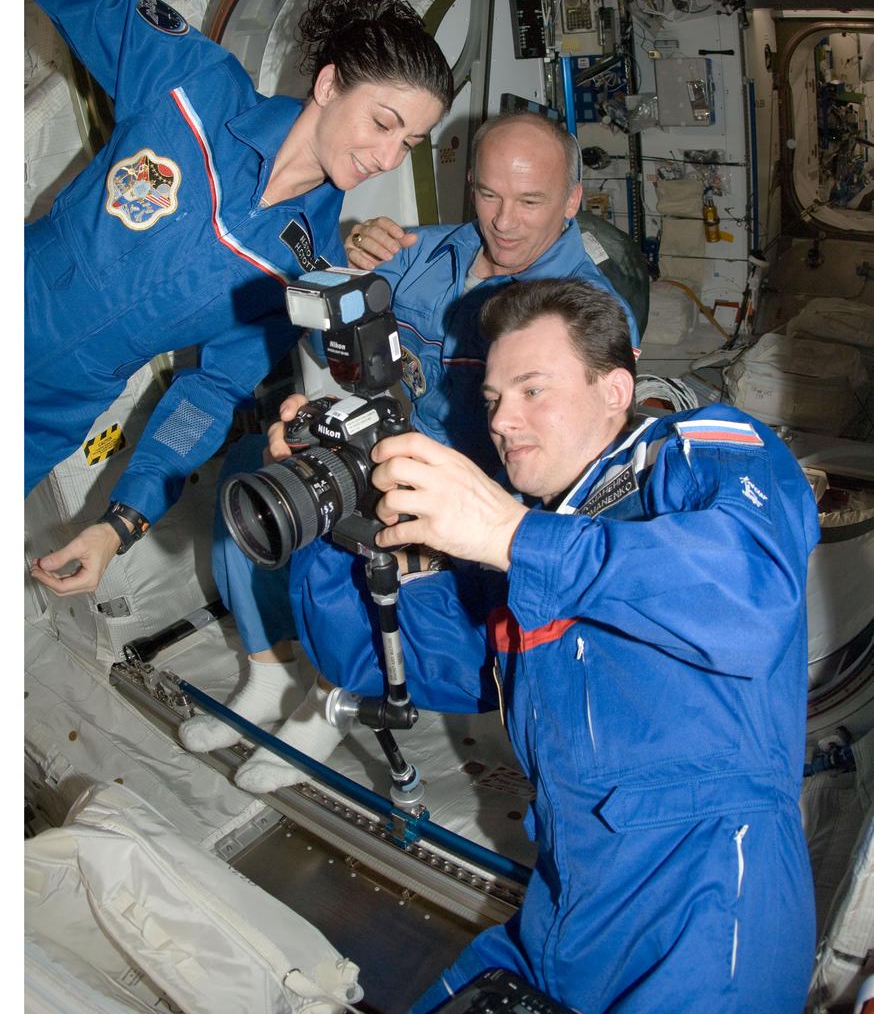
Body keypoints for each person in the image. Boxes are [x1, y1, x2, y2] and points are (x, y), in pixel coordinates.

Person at [286, 278, 819, 1013]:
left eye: (533, 390)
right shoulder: (523, 562)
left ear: (614, 389)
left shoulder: (694, 456)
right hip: (563, 919)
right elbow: (369, 657)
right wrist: (328, 511)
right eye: (494, 400)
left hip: (704, 915)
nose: (504, 421)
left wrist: (513, 535)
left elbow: (751, 595)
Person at [26, 0, 452, 596]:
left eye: (405, 145)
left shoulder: (302, 261)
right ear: (329, 85)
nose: (382, 155)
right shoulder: (193, 88)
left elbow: (211, 391)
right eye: (381, 121)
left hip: (45, 418)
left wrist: (121, 523)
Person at [179, 112, 644, 787]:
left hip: (475, 496)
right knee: (261, 470)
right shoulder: (417, 252)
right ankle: (268, 671)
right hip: (386, 444)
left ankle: (324, 701)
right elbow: (335, 343)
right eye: (488, 194)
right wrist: (349, 267)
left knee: (346, 530)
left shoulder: (586, 315)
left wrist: (458, 527)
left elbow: (571, 477)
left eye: (531, 201)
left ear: (573, 201)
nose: (505, 221)